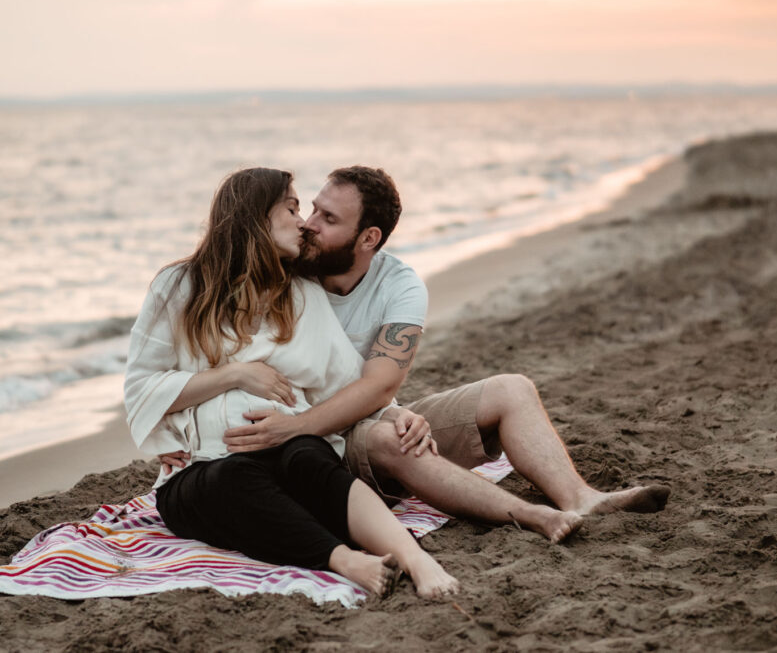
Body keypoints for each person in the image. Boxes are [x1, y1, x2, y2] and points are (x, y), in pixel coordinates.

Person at [163, 166, 669, 540]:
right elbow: (207, 337)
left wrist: (398, 410)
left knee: (511, 388)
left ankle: (580, 498)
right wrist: (176, 427)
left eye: (328, 217)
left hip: (359, 415)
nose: (310, 223)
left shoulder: (399, 284)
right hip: (311, 446)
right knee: (390, 438)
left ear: (369, 238)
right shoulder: (288, 270)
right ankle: (528, 515)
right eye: (312, 208)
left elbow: (380, 384)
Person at [124, 167, 460, 599]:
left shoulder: (300, 293)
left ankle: (416, 559)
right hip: (202, 466)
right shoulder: (178, 287)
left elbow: (344, 379)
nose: (304, 223)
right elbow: (141, 387)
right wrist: (235, 373)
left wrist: (397, 412)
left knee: (309, 457)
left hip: (285, 451)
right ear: (254, 217)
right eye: (292, 208)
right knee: (232, 479)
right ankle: (346, 560)